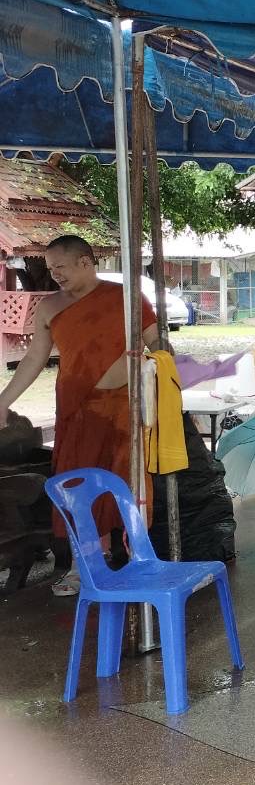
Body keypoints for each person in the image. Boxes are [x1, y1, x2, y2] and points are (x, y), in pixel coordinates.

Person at [0, 235, 158, 596]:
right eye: (50, 268)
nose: (54, 275)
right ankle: (82, 564)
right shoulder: (50, 307)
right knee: (78, 484)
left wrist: (154, 372)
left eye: (61, 267)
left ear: (86, 262)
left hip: (124, 409)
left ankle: (139, 560)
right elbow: (34, 359)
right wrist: (3, 400)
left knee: (128, 483)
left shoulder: (127, 298)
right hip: (75, 408)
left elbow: (160, 344)